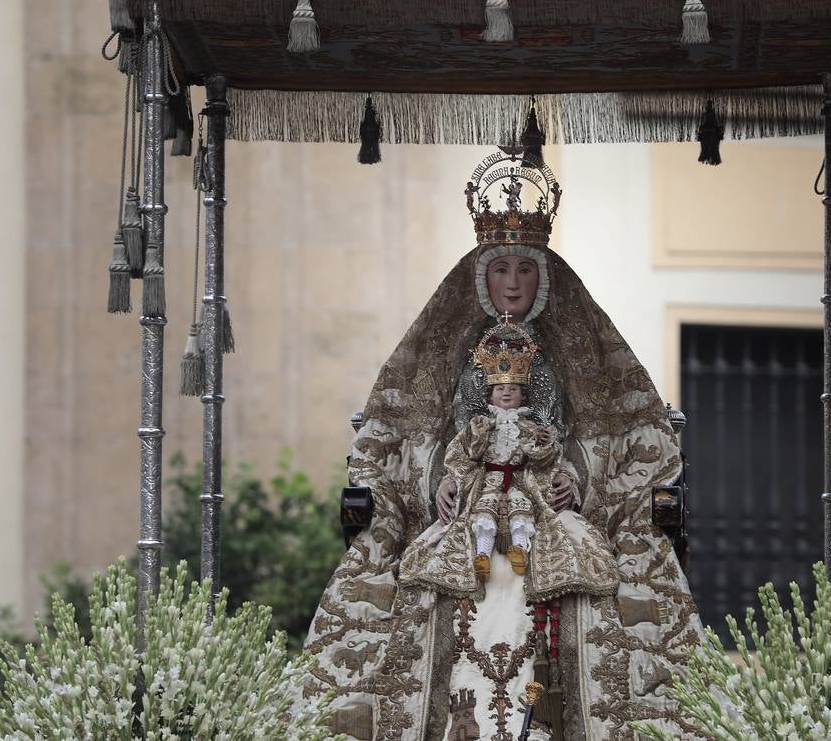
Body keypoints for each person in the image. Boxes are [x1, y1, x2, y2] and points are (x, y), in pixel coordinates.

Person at [302, 152, 705, 741]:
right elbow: (413, 433)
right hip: (467, 512)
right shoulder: (451, 347)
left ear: (543, 279)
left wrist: (580, 476)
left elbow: (614, 428)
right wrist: (440, 476)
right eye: (500, 270)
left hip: (551, 513)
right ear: (480, 277)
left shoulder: (574, 346)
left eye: (524, 269)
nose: (512, 282)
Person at [398, 321, 618, 601]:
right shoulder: (480, 425)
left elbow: (545, 458)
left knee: (522, 513)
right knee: (483, 515)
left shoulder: (530, 427)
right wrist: (456, 473)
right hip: (486, 482)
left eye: (513, 388)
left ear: (523, 395)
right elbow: (463, 454)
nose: (506, 393)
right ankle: (481, 554)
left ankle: (520, 551)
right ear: (488, 395)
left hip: (523, 483)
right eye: (500, 389)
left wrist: (544, 450)